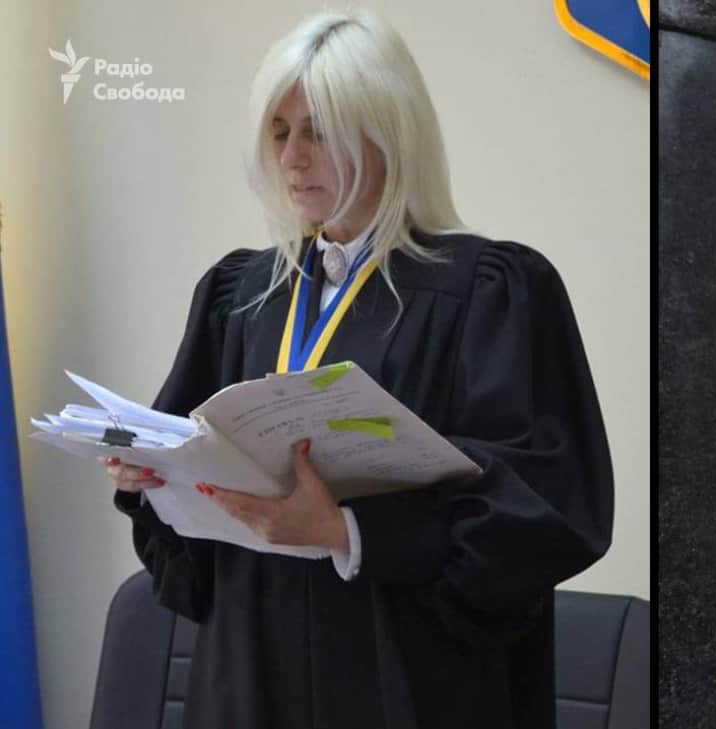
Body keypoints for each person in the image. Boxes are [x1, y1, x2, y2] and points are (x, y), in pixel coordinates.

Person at [100, 9, 614, 729]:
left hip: (410, 676)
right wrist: (153, 478)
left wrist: (348, 530)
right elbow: (188, 555)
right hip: (250, 671)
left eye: (319, 131)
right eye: (280, 131)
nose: (292, 158)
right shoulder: (240, 295)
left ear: (387, 132)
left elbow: (545, 508)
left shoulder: (490, 292)